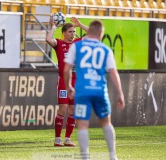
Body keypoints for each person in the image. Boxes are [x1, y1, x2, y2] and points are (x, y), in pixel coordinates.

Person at [63, 20, 125, 160]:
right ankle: (112, 156)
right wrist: (120, 94)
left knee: (83, 125)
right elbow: (113, 73)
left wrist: (68, 87)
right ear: (101, 34)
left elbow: (66, 69)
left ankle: (85, 157)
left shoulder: (76, 46)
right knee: (106, 123)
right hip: (100, 91)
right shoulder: (105, 49)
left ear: (88, 32)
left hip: (82, 91)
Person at [45, 17, 89, 147]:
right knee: (63, 109)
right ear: (64, 33)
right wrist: (53, 27)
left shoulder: (78, 43)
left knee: (73, 110)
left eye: (74, 31)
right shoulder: (58, 43)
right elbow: (48, 39)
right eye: (70, 31)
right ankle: (57, 138)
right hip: (64, 81)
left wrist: (80, 25)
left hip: (77, 81)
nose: (73, 33)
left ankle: (67, 139)